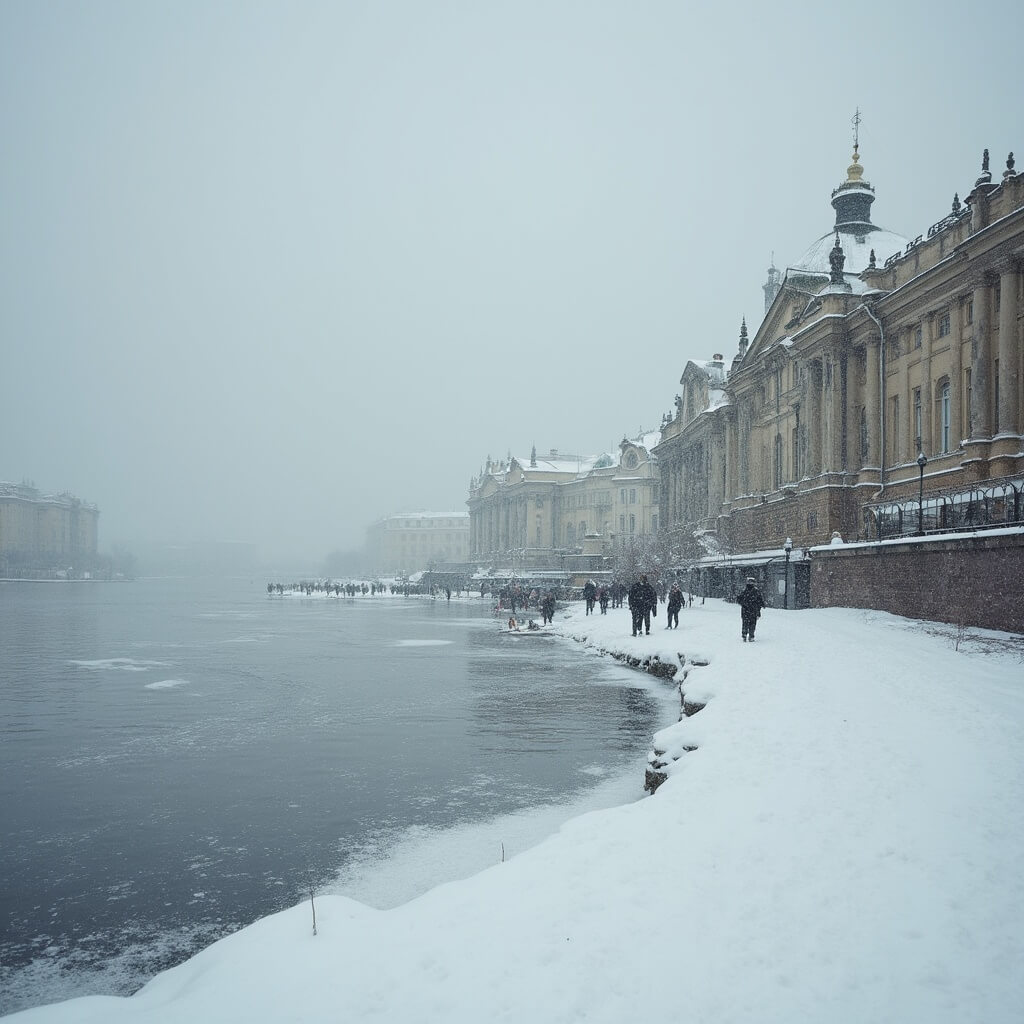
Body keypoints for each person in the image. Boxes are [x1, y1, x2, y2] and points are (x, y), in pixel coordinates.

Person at [738, 577, 765, 642]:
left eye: (752, 582)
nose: (750, 583)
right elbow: (739, 599)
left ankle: (750, 635)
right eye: (749, 582)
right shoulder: (745, 590)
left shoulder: (755, 591)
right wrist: (744, 603)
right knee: (747, 623)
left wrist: (761, 604)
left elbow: (760, 599)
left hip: (752, 610)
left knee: (751, 623)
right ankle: (746, 635)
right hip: (748, 610)